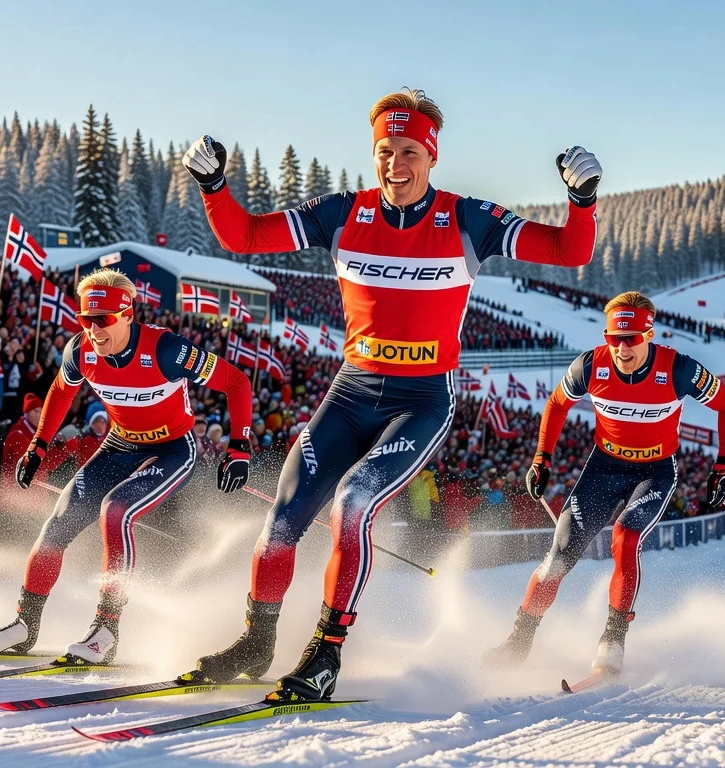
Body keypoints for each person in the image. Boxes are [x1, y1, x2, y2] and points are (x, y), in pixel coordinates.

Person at [179, 87, 601, 701]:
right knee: (281, 522)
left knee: (351, 504)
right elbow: (244, 236)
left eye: (408, 151)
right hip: (350, 393)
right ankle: (255, 641)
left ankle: (326, 654)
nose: (394, 164)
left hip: (422, 401)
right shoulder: (343, 212)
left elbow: (570, 249)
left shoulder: (467, 219)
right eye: (384, 150)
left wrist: (581, 198)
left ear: (431, 157)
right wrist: (214, 185)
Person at [0, 269, 254, 666]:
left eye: (101, 320)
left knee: (115, 511)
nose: (93, 329)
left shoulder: (166, 349)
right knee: (57, 525)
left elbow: (237, 382)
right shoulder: (81, 351)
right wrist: (38, 446)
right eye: (86, 319)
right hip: (119, 444)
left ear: (126, 314)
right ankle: (24, 625)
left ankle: (107, 630)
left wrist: (239, 448)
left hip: (172, 449)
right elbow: (60, 391)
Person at [485, 291, 725, 677]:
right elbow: (556, 404)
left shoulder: (679, 369)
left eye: (632, 339)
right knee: (558, 556)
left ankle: (613, 641)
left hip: (654, 472)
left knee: (625, 537)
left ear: (649, 335)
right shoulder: (590, 365)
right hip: (603, 468)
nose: (622, 349)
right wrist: (542, 458)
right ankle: (519, 640)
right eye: (614, 339)